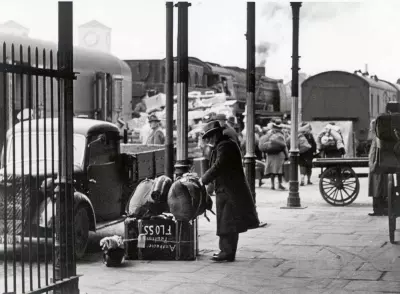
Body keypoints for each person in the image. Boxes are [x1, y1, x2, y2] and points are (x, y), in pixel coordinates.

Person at [200, 121, 260, 262]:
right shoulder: (223, 145)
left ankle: (226, 252)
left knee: (227, 222)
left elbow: (218, 166)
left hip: (229, 190)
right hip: (227, 189)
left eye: (209, 137)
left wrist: (203, 179)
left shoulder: (225, 146)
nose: (208, 140)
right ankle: (227, 251)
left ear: (215, 135)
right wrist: (209, 186)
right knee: (228, 221)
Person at [264, 119, 288, 190]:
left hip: (270, 154)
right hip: (279, 154)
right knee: (279, 170)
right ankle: (280, 184)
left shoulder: (269, 134)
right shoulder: (281, 135)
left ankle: (272, 185)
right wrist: (287, 155)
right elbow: (284, 146)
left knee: (272, 170)